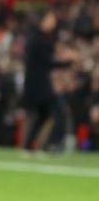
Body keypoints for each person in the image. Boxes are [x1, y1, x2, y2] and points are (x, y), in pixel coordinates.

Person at [21, 11, 67, 153]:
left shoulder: (41, 38)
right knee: (57, 112)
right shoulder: (38, 39)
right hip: (39, 85)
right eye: (50, 19)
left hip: (39, 83)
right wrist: (67, 61)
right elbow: (47, 61)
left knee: (44, 114)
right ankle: (52, 144)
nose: (53, 22)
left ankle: (29, 145)